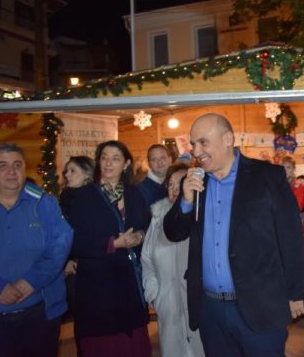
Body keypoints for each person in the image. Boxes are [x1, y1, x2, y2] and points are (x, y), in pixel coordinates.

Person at [163, 113, 304, 356]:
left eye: (203, 142)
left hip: (260, 305)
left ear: (228, 139)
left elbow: (290, 238)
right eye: (193, 144)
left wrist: (294, 294)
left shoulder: (267, 176)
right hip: (211, 310)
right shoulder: (194, 182)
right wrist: (185, 201)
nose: (196, 151)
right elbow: (173, 233)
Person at [63, 140, 151, 357]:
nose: (108, 163)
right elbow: (73, 241)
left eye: (115, 159)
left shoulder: (134, 193)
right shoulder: (84, 196)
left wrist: (140, 236)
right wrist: (113, 243)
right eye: (104, 158)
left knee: (132, 343)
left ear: (126, 164)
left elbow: (146, 225)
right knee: (105, 345)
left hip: (129, 281)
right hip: (97, 283)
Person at [0, 142, 73, 357]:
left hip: (41, 313)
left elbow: (61, 243)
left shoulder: (44, 203)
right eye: (2, 165)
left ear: (24, 168)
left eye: (17, 165)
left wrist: (32, 280)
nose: (11, 171)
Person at [142, 163, 205, 357]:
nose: (175, 188)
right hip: (167, 306)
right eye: (170, 184)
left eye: (181, 182)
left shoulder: (201, 215)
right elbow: (147, 259)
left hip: (199, 307)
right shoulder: (157, 217)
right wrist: (154, 295)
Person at [59, 156, 95, 327]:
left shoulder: (96, 200)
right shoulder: (64, 198)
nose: (67, 174)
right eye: (66, 171)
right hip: (71, 267)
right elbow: (59, 235)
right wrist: (65, 261)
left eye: (72, 171)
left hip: (92, 264)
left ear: (87, 174)